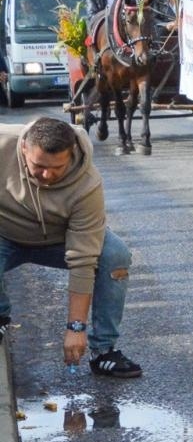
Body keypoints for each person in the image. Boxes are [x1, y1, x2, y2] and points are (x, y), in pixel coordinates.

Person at [0, 118, 142, 378]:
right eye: (39, 166)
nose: (47, 175)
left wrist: (76, 328)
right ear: (23, 149)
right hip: (5, 237)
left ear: (71, 153)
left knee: (114, 254)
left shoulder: (87, 184)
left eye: (57, 167)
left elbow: (83, 259)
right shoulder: (3, 144)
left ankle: (104, 351)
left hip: (59, 240)